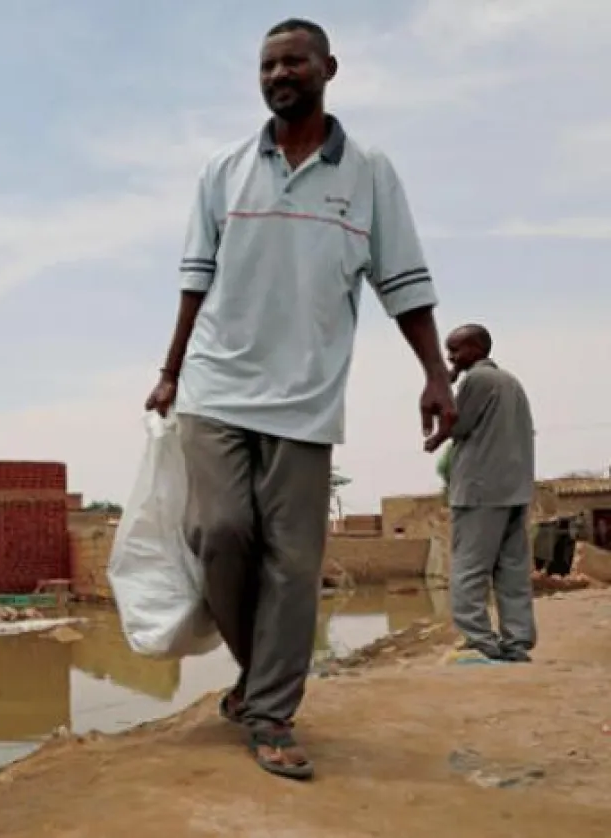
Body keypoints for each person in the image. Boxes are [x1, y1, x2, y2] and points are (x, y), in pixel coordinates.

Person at [144, 18, 456, 780]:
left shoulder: (370, 175)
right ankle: (260, 677)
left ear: (327, 69)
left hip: (308, 400)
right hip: (217, 386)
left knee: (293, 560)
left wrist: (436, 374)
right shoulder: (221, 170)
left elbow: (403, 284)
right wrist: (171, 370)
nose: (279, 74)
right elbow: (194, 282)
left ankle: (272, 711)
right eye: (268, 64)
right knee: (218, 531)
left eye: (294, 61)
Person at [425, 324, 536, 662]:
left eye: (456, 350)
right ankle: (517, 642)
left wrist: (445, 383)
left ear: (476, 348)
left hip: (480, 491)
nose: (450, 356)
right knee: (512, 570)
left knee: (468, 569)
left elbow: (456, 424)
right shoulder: (511, 383)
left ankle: (479, 641)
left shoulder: (477, 380)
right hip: (514, 489)